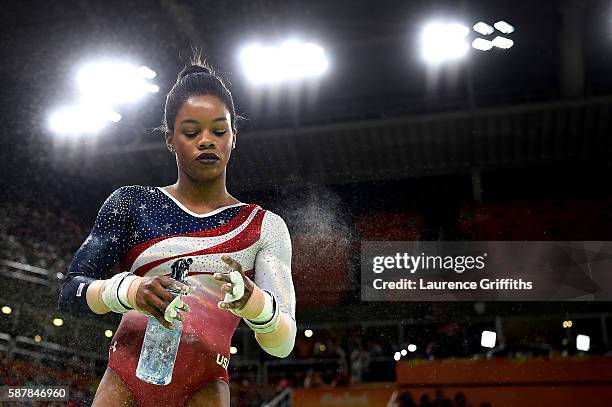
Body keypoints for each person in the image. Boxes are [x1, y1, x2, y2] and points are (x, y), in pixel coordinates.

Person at [57, 58, 296, 407]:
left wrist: (256, 306)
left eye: (218, 130)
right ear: (170, 139)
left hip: (205, 387)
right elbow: (70, 293)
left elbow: (282, 344)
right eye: (190, 132)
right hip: (124, 380)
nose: (205, 141)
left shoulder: (263, 227)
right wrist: (131, 290)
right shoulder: (132, 203)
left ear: (234, 137)